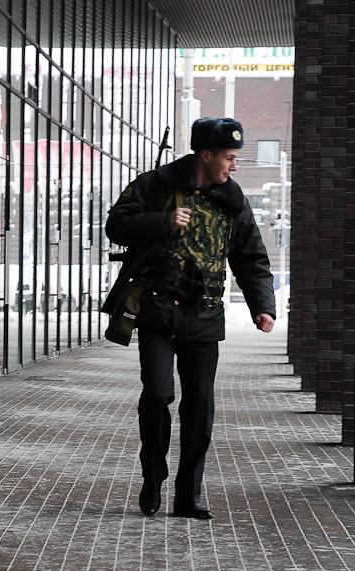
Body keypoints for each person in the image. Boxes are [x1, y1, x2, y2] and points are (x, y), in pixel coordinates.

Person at [104, 117, 275, 520]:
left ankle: (189, 493)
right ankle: (153, 476)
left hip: (206, 312)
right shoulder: (156, 185)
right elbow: (116, 224)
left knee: (200, 406)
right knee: (158, 394)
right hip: (158, 310)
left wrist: (261, 305)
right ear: (205, 154)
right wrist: (162, 222)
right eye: (230, 158)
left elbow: (251, 257)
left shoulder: (232, 200)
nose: (234, 166)